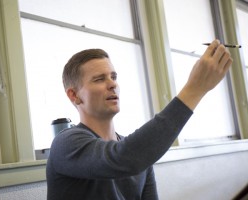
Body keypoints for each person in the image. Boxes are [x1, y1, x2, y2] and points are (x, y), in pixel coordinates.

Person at [46, 40, 233, 200]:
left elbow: (131, 155)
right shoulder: (66, 143)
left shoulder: (139, 155)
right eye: (99, 79)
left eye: (113, 77)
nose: (112, 84)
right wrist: (194, 89)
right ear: (74, 96)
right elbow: (123, 158)